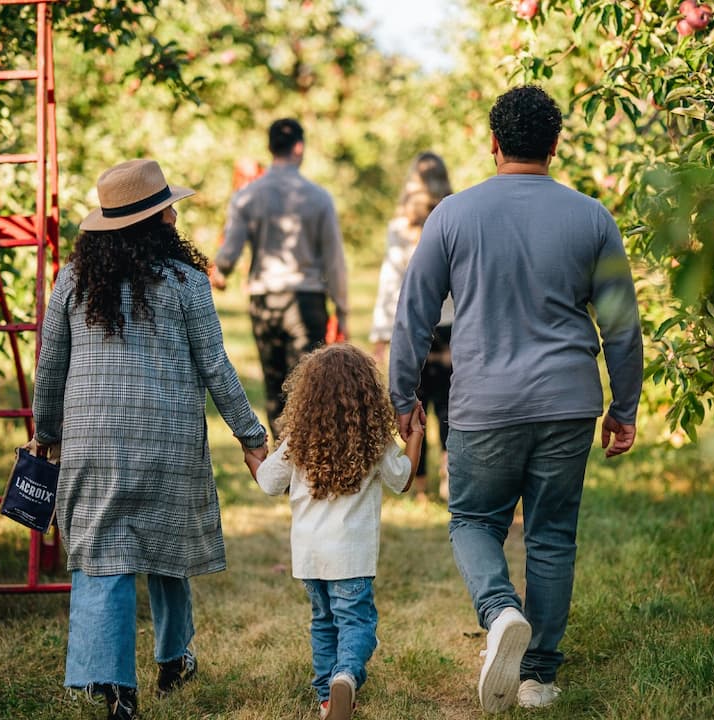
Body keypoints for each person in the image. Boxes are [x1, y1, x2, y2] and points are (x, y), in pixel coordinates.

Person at [389, 85, 643, 713]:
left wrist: (402, 395)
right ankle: (538, 678)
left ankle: (500, 610)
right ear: (555, 146)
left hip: (485, 404)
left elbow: (413, 314)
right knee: (553, 535)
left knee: (475, 521)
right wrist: (625, 406)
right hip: (568, 403)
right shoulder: (592, 218)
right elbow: (622, 325)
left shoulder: (452, 215)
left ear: (494, 143)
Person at [32, 159, 268, 720]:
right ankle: (173, 658)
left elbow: (50, 367)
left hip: (91, 441)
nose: (174, 212)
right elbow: (216, 366)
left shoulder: (72, 280)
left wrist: (46, 433)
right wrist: (251, 436)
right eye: (168, 205)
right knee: (169, 547)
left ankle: (115, 687)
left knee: (101, 554)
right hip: (168, 439)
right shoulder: (185, 282)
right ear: (157, 217)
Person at [246, 343, 424, 720]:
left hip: (309, 557)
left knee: (324, 623)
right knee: (358, 624)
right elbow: (403, 479)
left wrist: (253, 457)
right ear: (367, 394)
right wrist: (416, 437)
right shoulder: (373, 441)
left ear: (307, 396)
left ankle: (327, 699)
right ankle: (345, 676)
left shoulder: (298, 441)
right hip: (351, 557)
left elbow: (267, 482)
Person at [211, 118, 349, 441]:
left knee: (275, 383)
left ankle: (285, 465)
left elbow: (229, 252)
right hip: (307, 299)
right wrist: (342, 309)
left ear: (271, 147)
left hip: (264, 300)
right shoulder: (318, 197)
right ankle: (309, 460)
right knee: (309, 386)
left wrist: (221, 273)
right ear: (298, 147)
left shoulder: (246, 197)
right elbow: (334, 260)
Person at [369, 151, 454, 501]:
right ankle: (450, 476)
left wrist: (381, 332)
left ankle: (419, 487)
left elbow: (391, 282)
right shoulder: (453, 219)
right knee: (450, 406)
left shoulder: (400, 228)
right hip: (451, 324)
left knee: (415, 404)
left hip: (414, 325)